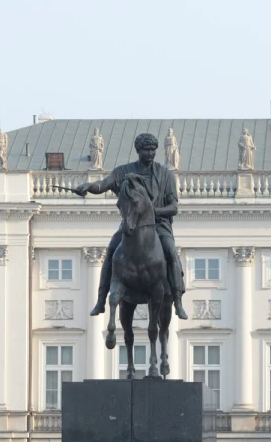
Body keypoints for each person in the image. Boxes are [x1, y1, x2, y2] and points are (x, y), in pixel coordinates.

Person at [75, 133, 188, 319]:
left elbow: (173, 207)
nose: (150, 153)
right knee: (111, 250)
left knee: (170, 251)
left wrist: (152, 212)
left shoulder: (165, 175)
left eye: (153, 150)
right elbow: (102, 185)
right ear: (138, 151)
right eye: (146, 150)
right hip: (130, 224)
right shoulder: (123, 172)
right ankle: (101, 300)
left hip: (158, 226)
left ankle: (177, 301)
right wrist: (88, 186)